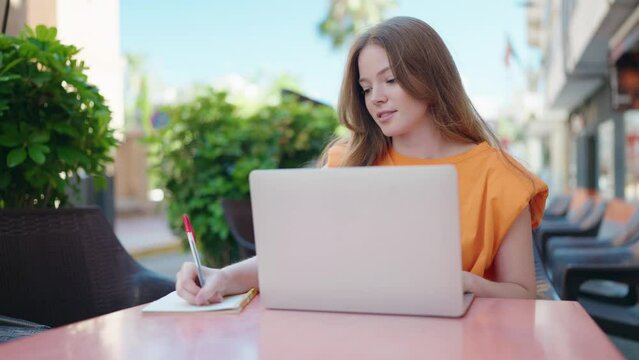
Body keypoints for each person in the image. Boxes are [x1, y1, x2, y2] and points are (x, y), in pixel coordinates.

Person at [176, 16, 548, 305]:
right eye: (367, 88)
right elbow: (295, 258)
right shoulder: (347, 162)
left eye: (390, 81)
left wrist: (467, 284)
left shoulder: (499, 176)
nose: (376, 99)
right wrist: (222, 277)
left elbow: (523, 296)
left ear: (432, 79)